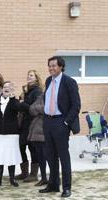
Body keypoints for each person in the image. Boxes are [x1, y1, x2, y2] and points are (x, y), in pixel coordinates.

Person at [39, 56, 81, 198]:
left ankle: (67, 188)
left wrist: (66, 123)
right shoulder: (48, 81)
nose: (51, 68)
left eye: (54, 66)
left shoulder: (69, 82)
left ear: (61, 66)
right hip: (48, 122)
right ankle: (53, 184)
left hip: (61, 123)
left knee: (63, 157)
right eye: (49, 66)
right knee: (50, 156)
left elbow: (76, 105)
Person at [16, 70, 43, 182]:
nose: (28, 77)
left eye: (31, 75)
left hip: (33, 123)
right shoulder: (27, 90)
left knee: (33, 148)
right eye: (28, 75)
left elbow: (34, 108)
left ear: (36, 78)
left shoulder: (37, 91)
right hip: (24, 123)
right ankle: (24, 172)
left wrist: (22, 103)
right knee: (21, 147)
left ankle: (33, 174)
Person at [28, 94, 48, 186]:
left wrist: (39, 108)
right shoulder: (41, 97)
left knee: (50, 158)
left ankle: (54, 178)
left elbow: (48, 109)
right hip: (37, 134)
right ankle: (44, 178)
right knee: (41, 158)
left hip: (47, 132)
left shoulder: (54, 97)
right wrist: (41, 108)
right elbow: (31, 109)